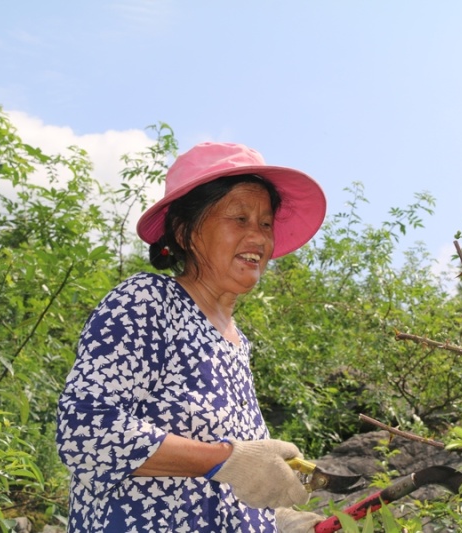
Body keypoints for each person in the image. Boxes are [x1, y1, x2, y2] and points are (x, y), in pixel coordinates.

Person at [56, 142, 328, 532]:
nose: (259, 237)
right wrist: (226, 458)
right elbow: (85, 430)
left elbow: (216, 485)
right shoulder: (148, 302)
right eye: (239, 218)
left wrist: (274, 518)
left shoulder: (237, 344)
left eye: (265, 224)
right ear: (184, 231)